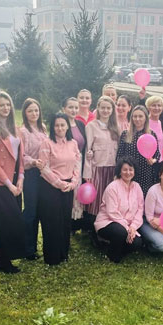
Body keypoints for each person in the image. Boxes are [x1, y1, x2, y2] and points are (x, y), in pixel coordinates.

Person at [0, 91, 27, 274]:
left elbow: (21, 156)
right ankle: (3, 261)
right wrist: (9, 184)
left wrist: (21, 178)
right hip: (0, 183)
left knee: (13, 220)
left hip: (16, 180)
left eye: (8, 104)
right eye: (2, 105)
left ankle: (2, 260)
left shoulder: (15, 128)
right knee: (5, 223)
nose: (5, 108)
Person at [37, 113, 81, 265]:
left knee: (65, 221)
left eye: (62, 125)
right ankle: (52, 257)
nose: (60, 128)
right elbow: (44, 168)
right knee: (52, 222)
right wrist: (60, 183)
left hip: (68, 186)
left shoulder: (73, 143)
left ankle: (64, 253)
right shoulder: (46, 143)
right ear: (52, 127)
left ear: (67, 126)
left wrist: (73, 183)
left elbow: (77, 164)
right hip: (50, 187)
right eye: (57, 125)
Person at [94, 158, 144, 263]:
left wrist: (133, 227)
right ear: (120, 171)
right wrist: (127, 228)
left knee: (137, 243)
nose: (128, 172)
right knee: (120, 233)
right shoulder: (112, 187)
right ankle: (113, 256)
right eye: (125, 169)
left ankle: (111, 245)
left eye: (131, 169)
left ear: (134, 171)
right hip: (108, 222)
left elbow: (140, 209)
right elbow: (112, 212)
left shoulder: (137, 187)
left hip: (129, 226)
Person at [18, 98, 47, 260]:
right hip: (31, 173)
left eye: (36, 110)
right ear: (25, 113)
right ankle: (27, 249)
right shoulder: (23, 131)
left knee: (40, 210)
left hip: (44, 173)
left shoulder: (42, 128)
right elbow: (21, 155)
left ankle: (35, 246)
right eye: (30, 111)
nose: (34, 113)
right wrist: (34, 162)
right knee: (31, 211)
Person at [83, 96, 120, 223]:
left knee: (109, 199)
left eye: (108, 108)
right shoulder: (91, 126)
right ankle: (92, 226)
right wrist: (87, 173)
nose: (105, 110)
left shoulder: (116, 127)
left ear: (112, 110)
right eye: (103, 107)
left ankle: (107, 224)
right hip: (97, 168)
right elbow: (88, 150)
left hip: (112, 168)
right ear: (98, 108)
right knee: (96, 199)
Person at [116, 105, 160, 196]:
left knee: (143, 198)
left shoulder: (151, 134)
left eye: (140, 116)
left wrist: (153, 160)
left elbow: (157, 155)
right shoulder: (125, 134)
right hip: (129, 174)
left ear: (145, 118)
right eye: (135, 116)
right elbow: (119, 156)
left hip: (145, 173)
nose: (137, 119)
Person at [63, 97, 87, 227]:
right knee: (69, 191)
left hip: (80, 162)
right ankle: (67, 221)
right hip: (66, 163)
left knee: (77, 191)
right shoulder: (61, 124)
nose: (73, 110)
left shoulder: (80, 124)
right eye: (70, 107)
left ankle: (76, 221)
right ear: (64, 109)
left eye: (76, 107)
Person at [145, 96, 163, 161]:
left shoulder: (159, 122)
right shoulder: (145, 122)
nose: (156, 108)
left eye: (159, 105)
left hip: (160, 160)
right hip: (149, 161)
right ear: (148, 107)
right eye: (153, 105)